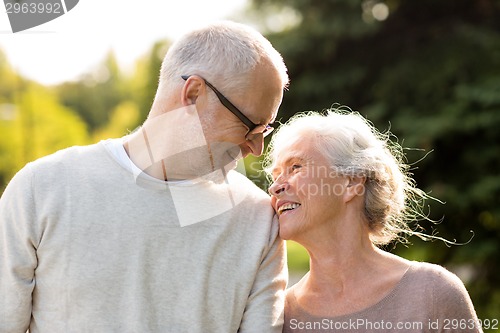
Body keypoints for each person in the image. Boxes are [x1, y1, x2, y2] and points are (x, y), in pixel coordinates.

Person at [0, 21, 289, 332]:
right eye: (251, 125)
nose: (257, 148)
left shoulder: (259, 221)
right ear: (192, 95)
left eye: (265, 130)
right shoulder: (41, 189)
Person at [266, 109, 482, 332]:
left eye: (295, 167)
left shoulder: (433, 293)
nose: (275, 187)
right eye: (275, 175)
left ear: (351, 182)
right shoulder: (279, 317)